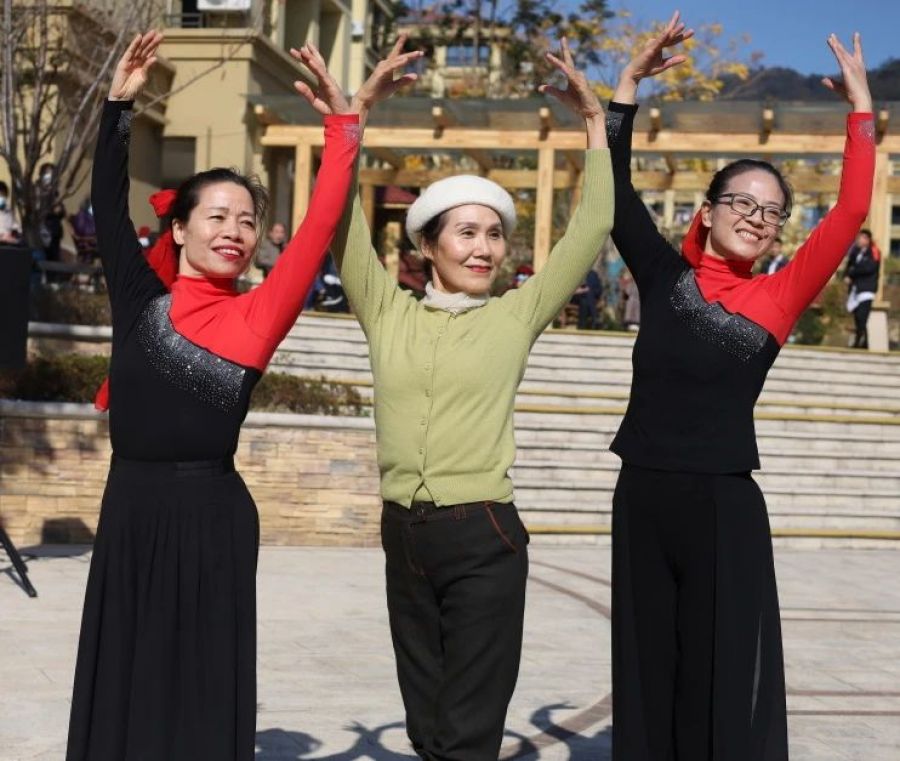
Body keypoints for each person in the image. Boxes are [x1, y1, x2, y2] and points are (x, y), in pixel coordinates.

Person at [65, 32, 361, 761]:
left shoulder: (260, 314)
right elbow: (106, 202)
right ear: (179, 227)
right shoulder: (141, 301)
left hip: (211, 520)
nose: (235, 230)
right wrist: (119, 107)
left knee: (198, 684)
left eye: (248, 220)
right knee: (126, 675)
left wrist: (342, 127)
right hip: (131, 509)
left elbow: (320, 223)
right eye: (218, 216)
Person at [327, 36, 613, 759]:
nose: (484, 248)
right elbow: (340, 222)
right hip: (403, 533)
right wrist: (355, 118)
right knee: (426, 720)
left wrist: (595, 127)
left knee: (467, 725)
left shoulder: (515, 315)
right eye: (466, 233)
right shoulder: (385, 310)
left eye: (493, 235)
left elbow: (591, 228)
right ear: (427, 246)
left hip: (483, 533)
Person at [605, 14, 873, 761]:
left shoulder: (779, 296)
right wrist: (626, 87)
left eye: (772, 212)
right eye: (743, 203)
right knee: (646, 664)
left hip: (724, 505)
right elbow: (614, 192)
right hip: (642, 493)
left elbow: (852, 209)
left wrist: (860, 109)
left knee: (720, 674)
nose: (757, 218)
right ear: (708, 211)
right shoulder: (665, 277)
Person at [843, 228, 880, 348]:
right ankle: (863, 342)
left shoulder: (874, 251)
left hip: (867, 289)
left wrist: (853, 272)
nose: (859, 240)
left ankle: (860, 341)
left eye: (862, 238)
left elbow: (870, 268)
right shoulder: (855, 252)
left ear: (868, 239)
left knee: (862, 316)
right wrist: (847, 275)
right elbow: (848, 266)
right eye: (858, 238)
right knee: (857, 318)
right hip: (855, 289)